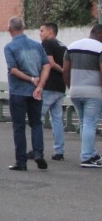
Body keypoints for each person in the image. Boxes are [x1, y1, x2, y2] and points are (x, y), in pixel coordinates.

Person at [4, 16, 49, 171]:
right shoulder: (37, 46)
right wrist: (40, 84)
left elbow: (14, 70)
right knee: (36, 123)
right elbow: (46, 66)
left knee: (19, 126)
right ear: (23, 28)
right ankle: (38, 153)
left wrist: (31, 79)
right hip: (36, 92)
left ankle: (21, 162)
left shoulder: (10, 47)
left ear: (10, 30)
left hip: (18, 91)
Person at [63, 23, 102, 168]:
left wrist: (70, 87)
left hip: (75, 90)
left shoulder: (72, 46)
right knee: (90, 123)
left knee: (84, 123)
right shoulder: (100, 48)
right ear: (100, 34)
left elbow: (65, 70)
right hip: (93, 91)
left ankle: (91, 153)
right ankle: (86, 157)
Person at [38, 23, 69, 161]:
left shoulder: (47, 44)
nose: (40, 33)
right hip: (60, 87)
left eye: (42, 30)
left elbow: (49, 62)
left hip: (49, 85)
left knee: (38, 118)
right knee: (57, 119)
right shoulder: (63, 46)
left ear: (50, 32)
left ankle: (37, 149)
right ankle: (59, 151)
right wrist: (65, 74)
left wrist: (62, 71)